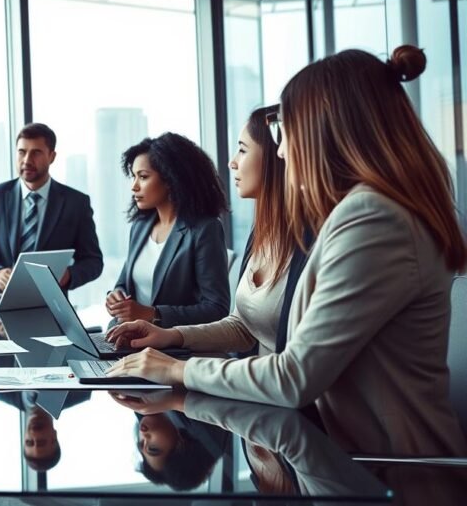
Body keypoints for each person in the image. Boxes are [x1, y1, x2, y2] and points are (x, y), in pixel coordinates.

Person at [106, 45, 467, 457]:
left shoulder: (373, 218)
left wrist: (176, 369)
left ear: (326, 131)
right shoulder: (365, 212)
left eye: (287, 135)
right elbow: (256, 330)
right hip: (350, 462)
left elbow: (295, 376)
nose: (281, 151)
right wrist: (171, 339)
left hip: (392, 474)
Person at [106, 107, 311, 356]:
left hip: (197, 358)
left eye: (243, 150)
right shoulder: (262, 232)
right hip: (153, 346)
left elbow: (219, 310)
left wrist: (155, 318)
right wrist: (119, 302)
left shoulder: (205, 229)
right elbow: (241, 326)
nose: (232, 161)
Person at [0, 123, 103, 335]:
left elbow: (94, 261)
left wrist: (68, 275)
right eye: (21, 152)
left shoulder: (76, 203)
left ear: (52, 156)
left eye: (36, 153)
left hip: (50, 313)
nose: (27, 160)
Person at [105, 132, 230, 328]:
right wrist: (116, 298)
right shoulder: (140, 227)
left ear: (171, 180)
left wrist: (152, 314)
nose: (134, 187)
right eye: (134, 177)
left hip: (173, 347)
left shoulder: (205, 230)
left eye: (143, 177)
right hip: (129, 338)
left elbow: (217, 308)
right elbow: (124, 284)